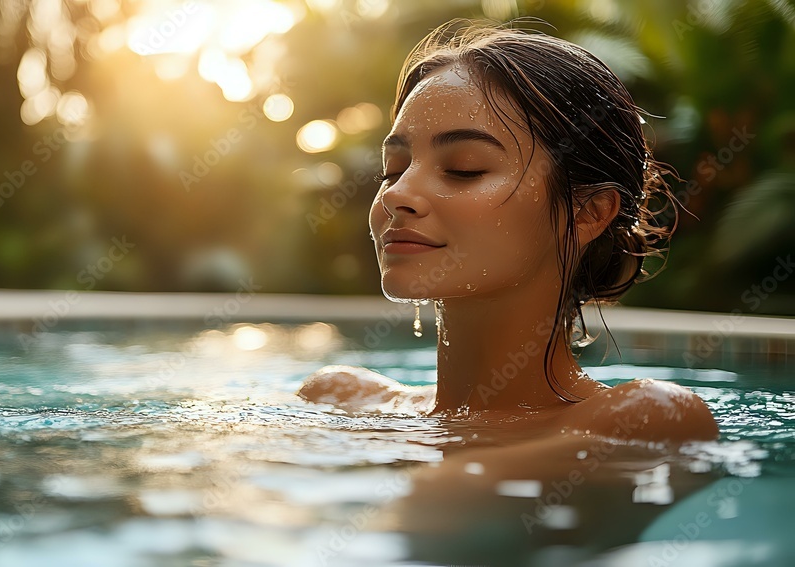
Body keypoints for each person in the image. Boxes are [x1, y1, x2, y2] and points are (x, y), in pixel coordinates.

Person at [297, 20, 718, 445]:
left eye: (464, 169)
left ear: (589, 212)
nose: (396, 194)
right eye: (393, 169)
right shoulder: (335, 397)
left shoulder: (644, 420)